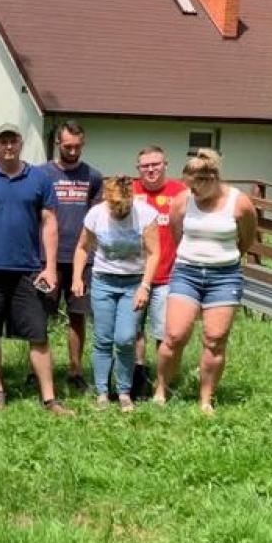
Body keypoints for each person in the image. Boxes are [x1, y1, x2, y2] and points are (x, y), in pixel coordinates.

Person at [0, 122, 72, 416]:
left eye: (13, 141)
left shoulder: (40, 179)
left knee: (38, 334)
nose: (8, 146)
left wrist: (50, 267)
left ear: (20, 144)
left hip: (28, 270)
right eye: (3, 141)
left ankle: (49, 398)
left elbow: (50, 224)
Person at [155, 149, 257, 413]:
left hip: (224, 276)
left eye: (197, 185)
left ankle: (205, 400)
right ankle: (161, 389)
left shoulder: (240, 202)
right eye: (189, 185)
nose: (192, 191)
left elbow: (246, 238)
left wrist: (224, 258)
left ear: (212, 178)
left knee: (215, 338)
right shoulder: (181, 201)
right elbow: (177, 233)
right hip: (187, 272)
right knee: (174, 336)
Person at [71, 176, 160, 411]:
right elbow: (82, 247)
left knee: (125, 338)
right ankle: (101, 391)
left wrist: (145, 286)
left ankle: (123, 392)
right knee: (103, 339)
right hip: (103, 281)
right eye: (115, 206)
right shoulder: (96, 214)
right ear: (106, 200)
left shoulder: (146, 214)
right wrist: (77, 277)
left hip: (133, 283)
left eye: (124, 206)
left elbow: (154, 253)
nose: (119, 211)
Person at [40, 121, 103, 391]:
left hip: (81, 259)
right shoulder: (41, 174)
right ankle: (40, 370)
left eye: (78, 146)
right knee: (41, 315)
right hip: (47, 258)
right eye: (68, 146)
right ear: (57, 144)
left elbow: (98, 219)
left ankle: (76, 369)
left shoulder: (93, 176)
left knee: (78, 315)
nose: (74, 151)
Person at [131, 145, 187, 401]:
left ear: (166, 164)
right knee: (132, 331)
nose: (151, 169)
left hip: (168, 276)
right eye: (145, 166)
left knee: (164, 334)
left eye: (156, 164)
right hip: (132, 275)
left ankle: (162, 384)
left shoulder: (180, 193)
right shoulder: (130, 192)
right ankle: (137, 377)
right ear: (138, 169)